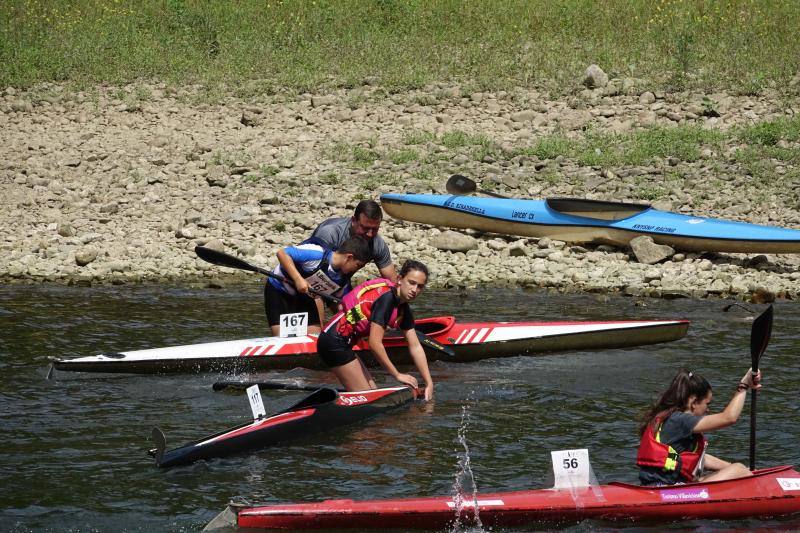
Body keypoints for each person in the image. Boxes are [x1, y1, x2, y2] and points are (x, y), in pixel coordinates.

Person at [316, 260, 434, 401]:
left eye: (420, 286)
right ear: (399, 279)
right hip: (333, 342)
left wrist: (429, 382)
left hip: (343, 344)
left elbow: (415, 346)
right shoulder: (387, 300)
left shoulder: (403, 309)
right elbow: (375, 343)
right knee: (368, 400)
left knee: (373, 393)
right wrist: (397, 374)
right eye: (412, 282)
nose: (415, 290)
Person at [637, 368, 762, 486]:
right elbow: (729, 418)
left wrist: (732, 468)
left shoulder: (672, 419)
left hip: (663, 486)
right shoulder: (680, 420)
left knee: (738, 469)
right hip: (668, 490)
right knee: (739, 470)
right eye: (707, 403)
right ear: (693, 402)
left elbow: (702, 459)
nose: (708, 409)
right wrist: (744, 386)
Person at [264, 236, 370, 336]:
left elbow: (343, 305)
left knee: (315, 336)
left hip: (305, 297)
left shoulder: (343, 281)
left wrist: (359, 324)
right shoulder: (316, 253)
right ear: (349, 257)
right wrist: (298, 279)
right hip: (278, 290)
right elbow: (282, 253)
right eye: (358, 265)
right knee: (281, 336)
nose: (357, 270)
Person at [306, 199, 397, 282]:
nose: (370, 234)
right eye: (365, 228)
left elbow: (392, 281)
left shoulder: (376, 243)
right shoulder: (330, 233)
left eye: (375, 229)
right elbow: (309, 267)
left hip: (340, 280)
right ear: (353, 220)